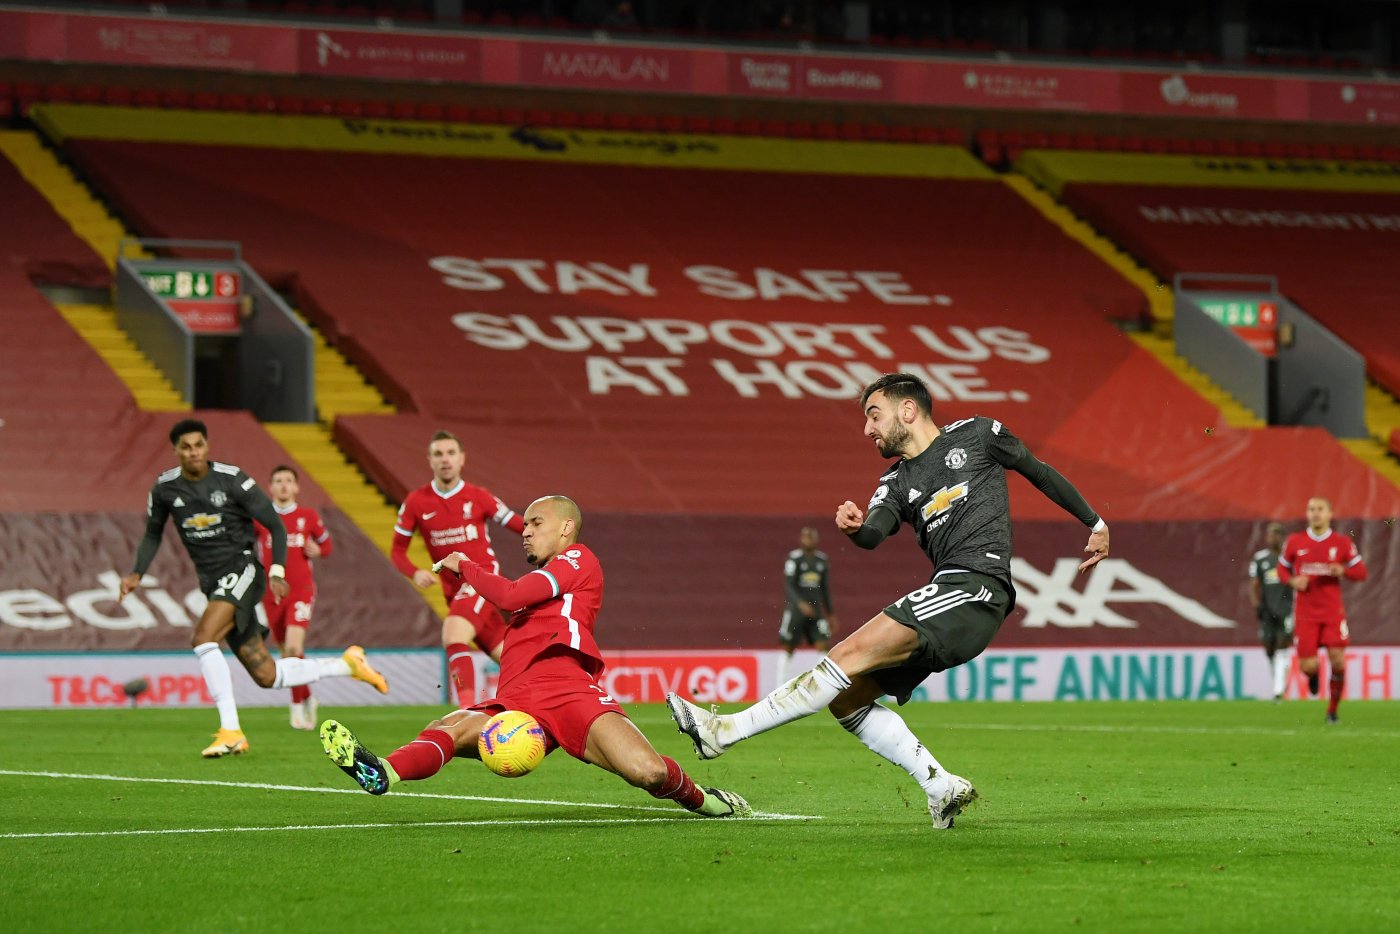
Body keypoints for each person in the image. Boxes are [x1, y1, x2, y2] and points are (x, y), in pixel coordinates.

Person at [667, 373, 1109, 828]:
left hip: (976, 588)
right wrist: (857, 529)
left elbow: (1038, 471)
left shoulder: (979, 435)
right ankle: (939, 785)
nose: (867, 429)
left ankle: (725, 732)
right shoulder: (896, 481)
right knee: (847, 699)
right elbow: (875, 532)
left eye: (874, 415)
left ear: (907, 410)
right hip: (951, 596)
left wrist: (1095, 524)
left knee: (846, 655)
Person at [321, 495, 752, 819]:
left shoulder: (579, 558)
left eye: (535, 522)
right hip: (516, 697)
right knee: (449, 727)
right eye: (524, 524)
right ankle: (383, 771)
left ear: (566, 527)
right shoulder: (541, 583)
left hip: (566, 688)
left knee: (648, 773)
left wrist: (465, 565)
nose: (525, 531)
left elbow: (509, 594)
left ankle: (705, 800)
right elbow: (505, 604)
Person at [119, 419, 389, 757]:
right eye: (186, 447)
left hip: (243, 570)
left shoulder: (232, 479)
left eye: (198, 445)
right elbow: (153, 533)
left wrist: (276, 570)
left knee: (203, 638)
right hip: (212, 582)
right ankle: (347, 665)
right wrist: (137, 573)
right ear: (176, 450)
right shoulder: (165, 488)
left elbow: (275, 524)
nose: (193, 452)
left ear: (206, 446)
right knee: (266, 674)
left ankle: (230, 730)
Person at [391, 430, 524, 705]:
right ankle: (561, 695)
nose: (445, 459)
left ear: (462, 458)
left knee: (453, 635)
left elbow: (517, 524)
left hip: (481, 579)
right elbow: (397, 551)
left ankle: (466, 710)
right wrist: (415, 572)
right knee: (512, 659)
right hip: (453, 591)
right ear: (430, 460)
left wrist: (549, 530)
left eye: (451, 453)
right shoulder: (416, 502)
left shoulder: (479, 497)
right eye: (438, 454)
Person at [1276, 497, 1368, 723]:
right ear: (1307, 514)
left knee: (1338, 661)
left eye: (1320, 509)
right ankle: (1313, 675)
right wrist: (1292, 581)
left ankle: (1332, 711)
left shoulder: (1342, 543)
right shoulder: (1295, 541)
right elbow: (1281, 569)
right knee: (1308, 666)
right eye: (1311, 509)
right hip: (1305, 614)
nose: (1315, 513)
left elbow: (1361, 572)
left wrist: (1344, 571)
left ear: (1329, 514)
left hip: (1332, 612)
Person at [256, 464, 333, 730]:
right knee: (287, 653)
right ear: (270, 487)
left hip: (301, 590)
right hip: (271, 593)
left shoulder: (308, 516)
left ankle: (296, 707)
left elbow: (327, 544)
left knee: (292, 648)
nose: (284, 485)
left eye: (288, 480)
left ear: (296, 487)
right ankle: (308, 697)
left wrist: (318, 550)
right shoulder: (261, 518)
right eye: (278, 481)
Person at [776, 527, 837, 685]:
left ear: (816, 540)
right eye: (806, 537)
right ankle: (780, 687)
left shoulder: (822, 560)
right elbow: (789, 586)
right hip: (796, 612)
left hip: (816, 611)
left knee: (823, 645)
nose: (808, 540)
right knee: (788, 647)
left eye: (811, 537)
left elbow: (825, 589)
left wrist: (830, 614)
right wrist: (800, 604)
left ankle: (822, 686)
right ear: (801, 540)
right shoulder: (794, 559)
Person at [1249, 522, 1293, 702]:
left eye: (1276, 535)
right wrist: (1257, 605)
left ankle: (1278, 689)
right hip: (1267, 610)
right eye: (1269, 535)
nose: (1272, 538)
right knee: (1268, 646)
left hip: (1287, 609)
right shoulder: (1260, 559)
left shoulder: (1290, 558)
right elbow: (1254, 584)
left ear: (1283, 537)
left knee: (1282, 645)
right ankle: (1279, 680)